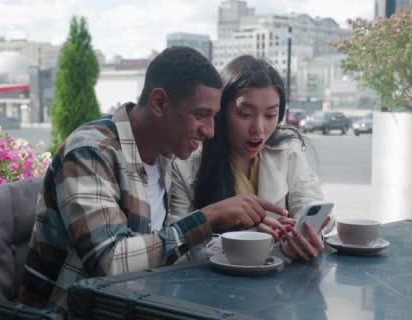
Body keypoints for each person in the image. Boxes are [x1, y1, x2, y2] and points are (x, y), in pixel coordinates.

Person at [18, 47, 287, 312]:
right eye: (200, 115)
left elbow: (159, 250)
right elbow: (108, 262)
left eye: (214, 117)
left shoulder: (164, 156)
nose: (211, 131)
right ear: (159, 103)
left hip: (138, 305)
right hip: (72, 312)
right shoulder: (90, 152)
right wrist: (209, 217)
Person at [169, 55, 330, 261]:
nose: (259, 129)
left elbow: (311, 202)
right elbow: (175, 245)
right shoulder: (185, 164)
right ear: (220, 112)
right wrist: (251, 238)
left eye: (270, 115)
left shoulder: (288, 152)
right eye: (245, 114)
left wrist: (308, 233)